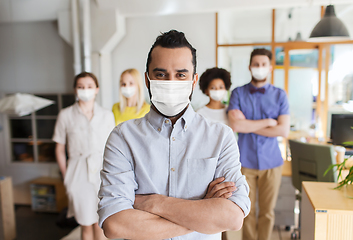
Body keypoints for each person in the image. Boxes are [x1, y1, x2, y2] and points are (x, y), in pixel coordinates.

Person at [98, 30, 250, 240]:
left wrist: (154, 203)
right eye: (161, 74)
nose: (170, 82)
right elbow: (115, 225)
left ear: (194, 80)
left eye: (180, 75)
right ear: (147, 79)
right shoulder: (122, 138)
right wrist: (203, 212)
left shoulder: (221, 137)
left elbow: (232, 217)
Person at [227, 48, 290, 240]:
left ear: (270, 67)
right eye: (256, 64)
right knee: (246, 210)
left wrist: (248, 125)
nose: (259, 68)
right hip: (245, 161)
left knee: (267, 212)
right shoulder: (238, 93)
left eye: (263, 65)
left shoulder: (280, 95)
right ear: (249, 67)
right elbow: (235, 124)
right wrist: (268, 122)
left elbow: (283, 130)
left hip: (272, 162)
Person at [52, 72, 115, 240]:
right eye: (80, 87)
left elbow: (114, 148)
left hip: (102, 173)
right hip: (77, 173)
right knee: (85, 222)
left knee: (101, 222)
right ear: (75, 90)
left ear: (96, 90)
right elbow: (59, 148)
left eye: (89, 86)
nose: (85, 90)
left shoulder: (107, 115)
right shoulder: (65, 115)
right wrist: (66, 176)